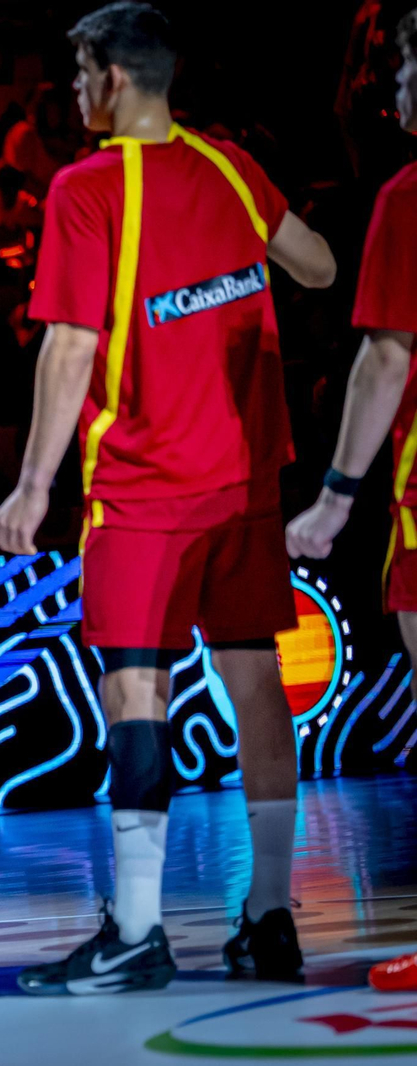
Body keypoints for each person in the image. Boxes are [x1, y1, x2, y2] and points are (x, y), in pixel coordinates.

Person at [0, 1, 337, 995]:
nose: (70, 95)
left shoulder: (85, 187)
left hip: (144, 488)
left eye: (76, 76)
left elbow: (68, 343)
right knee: (255, 680)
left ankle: (137, 930)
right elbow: (315, 265)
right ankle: (270, 914)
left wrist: (30, 482)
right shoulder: (231, 165)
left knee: (135, 690)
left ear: (109, 77)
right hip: (248, 481)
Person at [284, 4, 417, 995]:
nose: (392, 86)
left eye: (405, 66)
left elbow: (382, 356)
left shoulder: (408, 198)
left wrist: (334, 497)